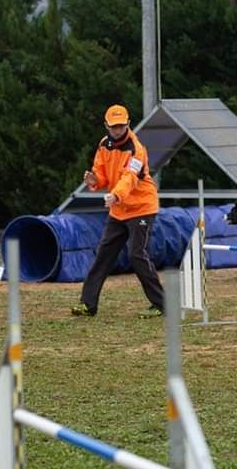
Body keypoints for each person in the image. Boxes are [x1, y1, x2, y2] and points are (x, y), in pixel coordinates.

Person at [71, 104, 164, 318]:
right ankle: (88, 305)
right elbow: (101, 174)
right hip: (118, 210)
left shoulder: (136, 148)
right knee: (103, 255)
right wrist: (94, 181)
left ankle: (161, 304)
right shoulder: (104, 145)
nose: (118, 130)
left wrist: (116, 195)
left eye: (121, 126)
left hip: (141, 207)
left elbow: (129, 178)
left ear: (128, 124)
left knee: (136, 255)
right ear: (106, 126)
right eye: (114, 126)